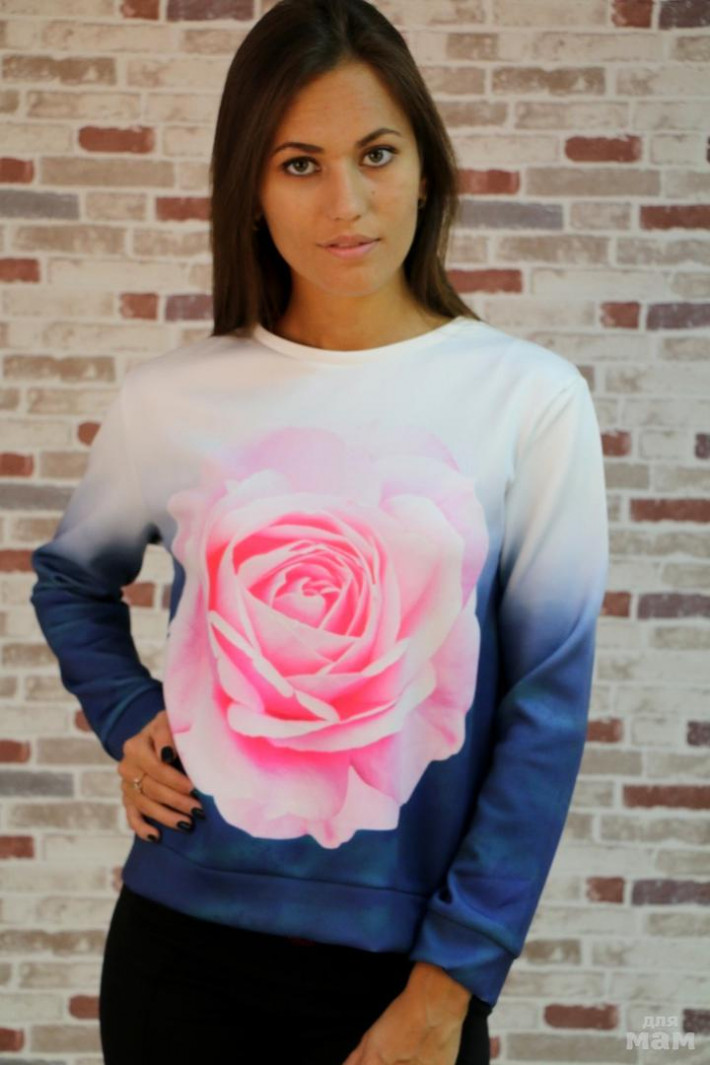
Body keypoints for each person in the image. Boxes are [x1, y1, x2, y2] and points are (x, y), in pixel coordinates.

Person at [28, 1, 609, 1063]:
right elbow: (70, 578)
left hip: (406, 982)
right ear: (249, 189)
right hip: (178, 956)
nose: (346, 202)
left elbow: (544, 713)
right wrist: (129, 715)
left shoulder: (529, 401)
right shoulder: (172, 399)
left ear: (424, 169)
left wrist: (451, 984)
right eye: (299, 164)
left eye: (375, 154)